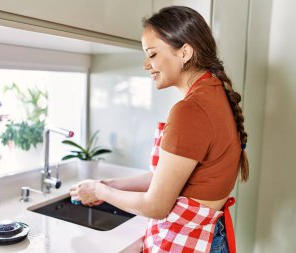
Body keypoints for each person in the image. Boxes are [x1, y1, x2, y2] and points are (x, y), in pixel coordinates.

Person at [70, 6, 248, 253]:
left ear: (185, 52)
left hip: (190, 242)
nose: (146, 65)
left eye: (152, 54)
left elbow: (156, 206)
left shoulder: (191, 110)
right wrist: (110, 184)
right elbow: (165, 177)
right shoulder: (215, 93)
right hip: (209, 238)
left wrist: (100, 190)